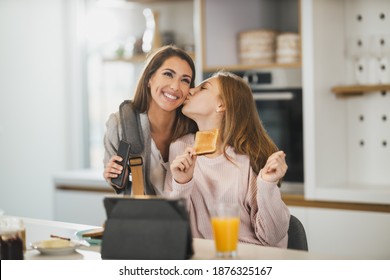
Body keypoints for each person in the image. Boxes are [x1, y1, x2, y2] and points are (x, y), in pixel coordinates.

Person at [163, 71, 290, 248]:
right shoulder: (179, 148)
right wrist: (182, 183)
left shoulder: (248, 158)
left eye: (203, 88)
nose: (190, 90)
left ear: (222, 104)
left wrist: (267, 186)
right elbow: (172, 228)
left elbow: (273, 236)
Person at [103, 45, 197, 195]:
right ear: (149, 79)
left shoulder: (195, 127)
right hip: (143, 215)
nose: (175, 86)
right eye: (168, 74)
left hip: (188, 217)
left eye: (185, 80)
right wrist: (117, 178)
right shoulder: (120, 124)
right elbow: (119, 187)